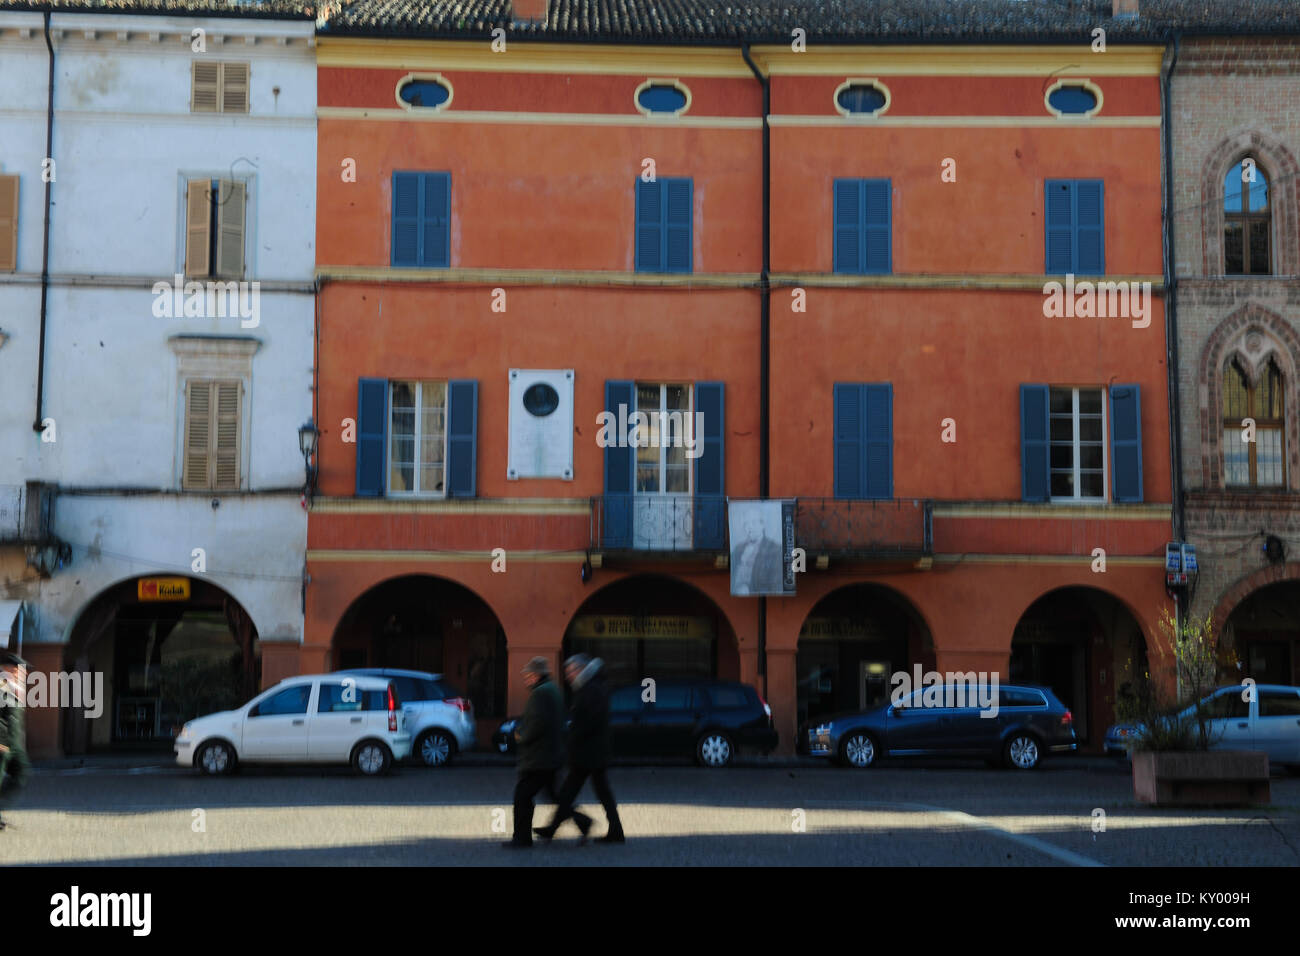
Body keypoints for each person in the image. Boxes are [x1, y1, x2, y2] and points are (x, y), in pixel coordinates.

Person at [535, 653, 624, 845]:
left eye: (571, 671)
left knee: (586, 792)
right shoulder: (590, 686)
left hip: (589, 752)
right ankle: (555, 828)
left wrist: (572, 737)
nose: (568, 675)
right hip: (590, 751)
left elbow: (589, 722)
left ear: (582, 669)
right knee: (577, 792)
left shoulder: (591, 689)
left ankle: (614, 831)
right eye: (567, 671)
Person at [504, 656, 564, 849]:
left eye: (529, 674)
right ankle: (583, 821)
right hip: (549, 755)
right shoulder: (553, 689)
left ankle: (522, 839)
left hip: (539, 757)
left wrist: (521, 736)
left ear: (538, 675)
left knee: (522, 796)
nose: (526, 678)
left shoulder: (540, 693)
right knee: (554, 796)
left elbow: (536, 724)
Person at [0, 652, 30, 832]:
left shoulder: (13, 687)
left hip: (13, 742)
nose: (24, 673)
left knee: (21, 772)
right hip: (2, 742)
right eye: (20, 669)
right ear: (8, 668)